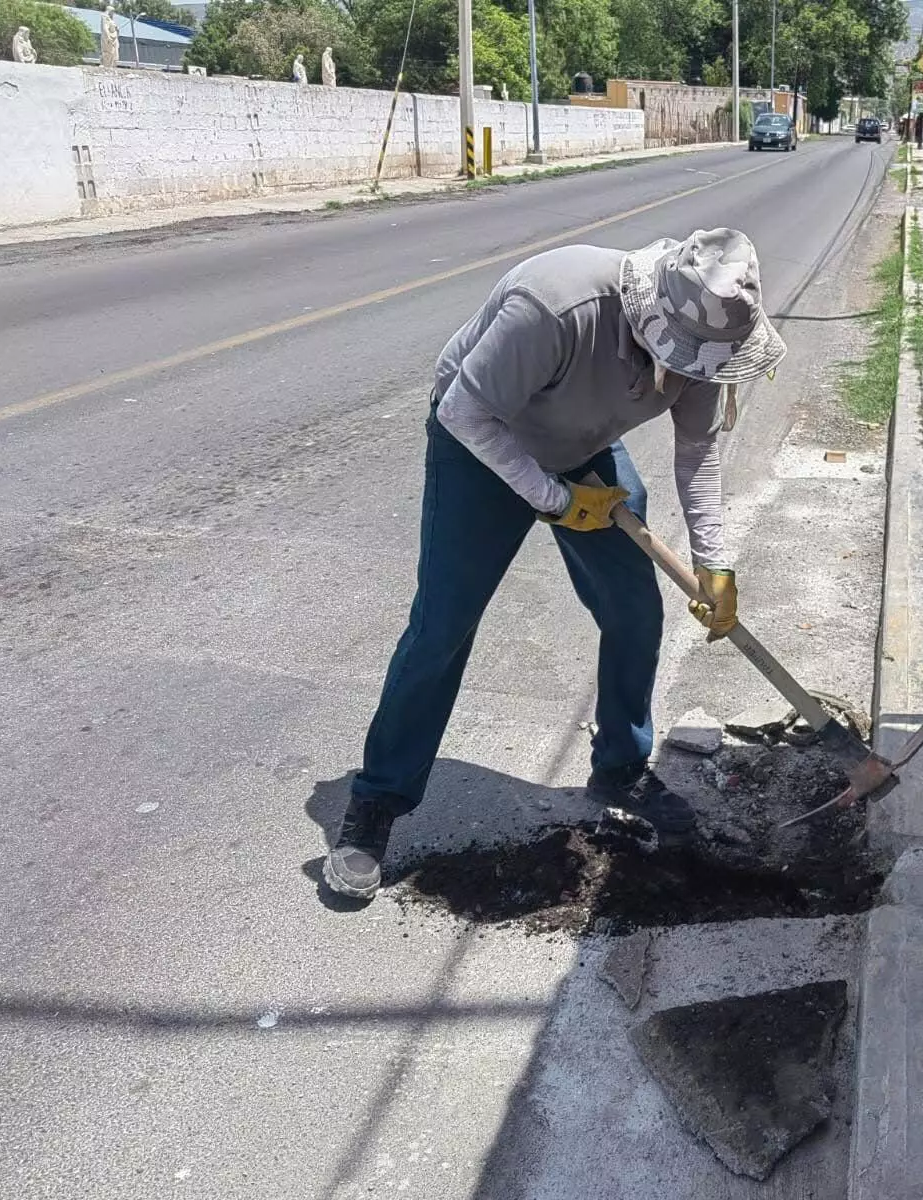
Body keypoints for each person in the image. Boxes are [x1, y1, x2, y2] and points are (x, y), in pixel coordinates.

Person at [324, 229, 787, 900]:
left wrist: (715, 564)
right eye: (681, 362)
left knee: (635, 611)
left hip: (583, 449)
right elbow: (463, 412)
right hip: (484, 442)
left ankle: (621, 766)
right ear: (653, 320)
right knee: (442, 627)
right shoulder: (554, 306)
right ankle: (376, 805)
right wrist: (557, 500)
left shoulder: (704, 346)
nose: (690, 377)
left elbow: (698, 457)